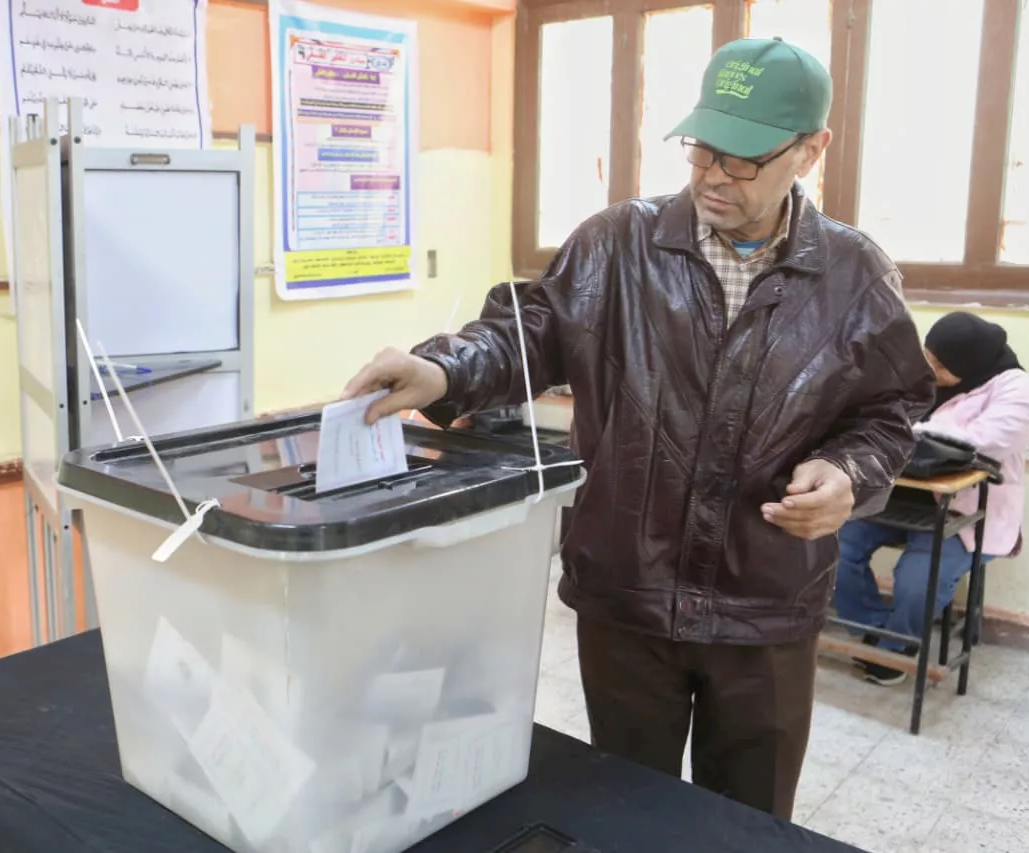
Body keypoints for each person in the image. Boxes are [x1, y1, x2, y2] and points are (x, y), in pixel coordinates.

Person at [341, 37, 935, 820]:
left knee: (745, 824)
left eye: (743, 159)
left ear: (811, 149)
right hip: (628, 593)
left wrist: (850, 472)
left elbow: (892, 407)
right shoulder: (616, 244)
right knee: (624, 811)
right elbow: (525, 334)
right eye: (703, 149)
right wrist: (443, 369)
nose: (713, 175)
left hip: (765, 604)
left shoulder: (854, 275)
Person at [834, 312, 1029, 686]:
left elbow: (986, 440)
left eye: (942, 365)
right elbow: (879, 416)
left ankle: (895, 649)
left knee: (917, 579)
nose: (931, 369)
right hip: (899, 496)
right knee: (832, 547)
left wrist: (916, 433)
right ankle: (877, 632)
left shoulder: (1014, 387)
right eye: (929, 356)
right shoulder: (919, 372)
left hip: (962, 507)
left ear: (970, 363)